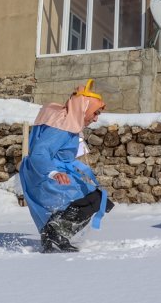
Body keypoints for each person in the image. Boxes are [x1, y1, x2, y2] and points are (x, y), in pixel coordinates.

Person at [19, 79, 114, 253]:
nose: (96, 118)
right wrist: (53, 172)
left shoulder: (67, 124)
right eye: (95, 113)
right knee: (95, 199)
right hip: (46, 174)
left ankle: (53, 236)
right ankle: (55, 233)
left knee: (95, 200)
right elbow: (39, 153)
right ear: (83, 108)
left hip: (51, 172)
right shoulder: (62, 127)